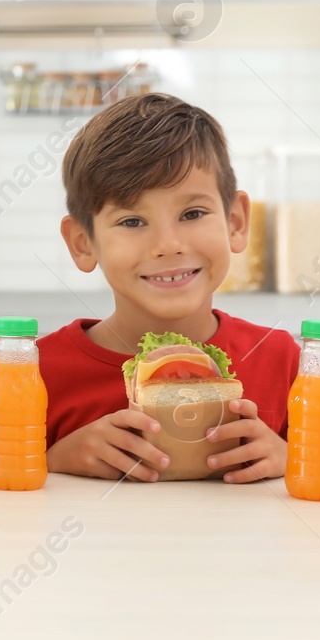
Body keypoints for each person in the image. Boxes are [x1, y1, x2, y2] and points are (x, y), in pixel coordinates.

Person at [41, 93, 295, 483]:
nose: (168, 244)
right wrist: (52, 461)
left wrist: (292, 460)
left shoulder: (281, 361)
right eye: (131, 221)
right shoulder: (39, 371)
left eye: (192, 213)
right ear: (82, 242)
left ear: (236, 222)